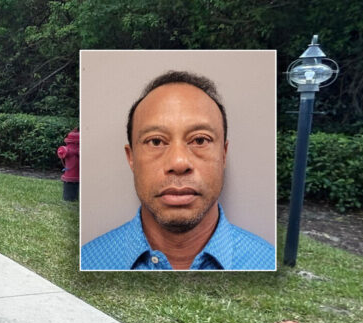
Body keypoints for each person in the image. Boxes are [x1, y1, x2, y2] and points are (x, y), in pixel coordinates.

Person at [81, 70, 274, 271]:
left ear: (223, 155)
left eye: (200, 140)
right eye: (156, 142)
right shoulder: (89, 261)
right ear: (131, 158)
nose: (179, 162)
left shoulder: (267, 263)